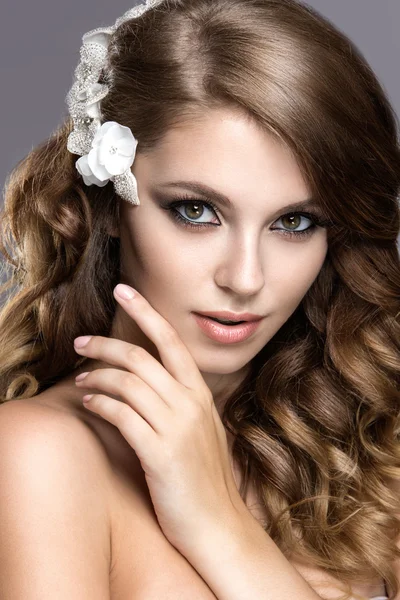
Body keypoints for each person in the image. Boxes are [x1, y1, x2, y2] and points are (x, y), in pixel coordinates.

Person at [0, 0, 399, 598]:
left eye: (294, 222)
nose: (245, 278)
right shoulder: (36, 456)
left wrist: (217, 522)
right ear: (110, 205)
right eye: (196, 211)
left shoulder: (371, 448)